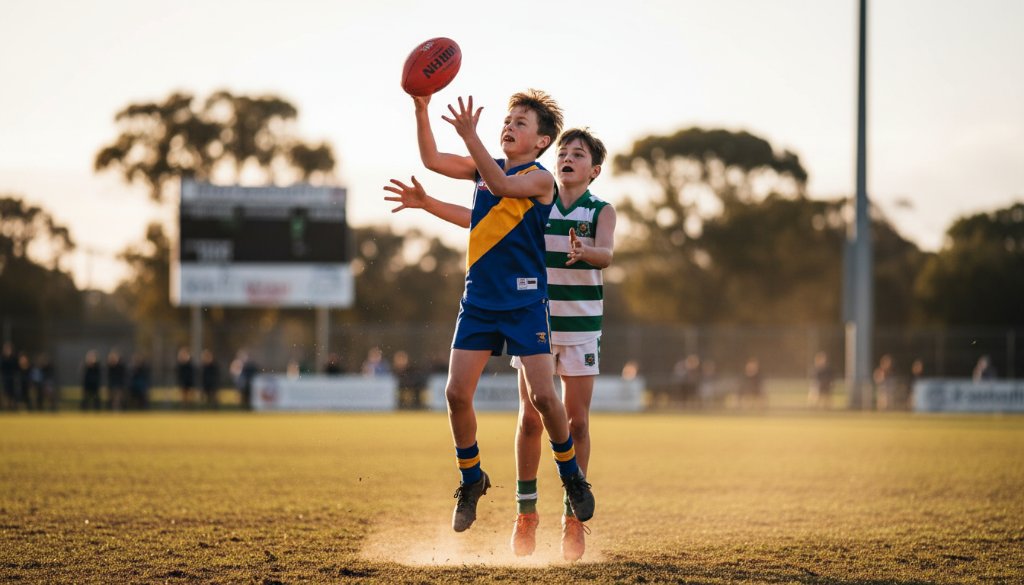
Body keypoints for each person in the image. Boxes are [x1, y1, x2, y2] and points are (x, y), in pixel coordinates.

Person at [384, 89, 594, 534]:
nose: (509, 127)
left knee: (542, 398)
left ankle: (572, 474)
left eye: (521, 123)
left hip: (524, 303)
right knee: (456, 394)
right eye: (508, 120)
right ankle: (471, 478)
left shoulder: (540, 180)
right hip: (478, 300)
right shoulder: (487, 168)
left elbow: (500, 187)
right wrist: (421, 108)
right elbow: (433, 161)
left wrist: (470, 135)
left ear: (541, 143)